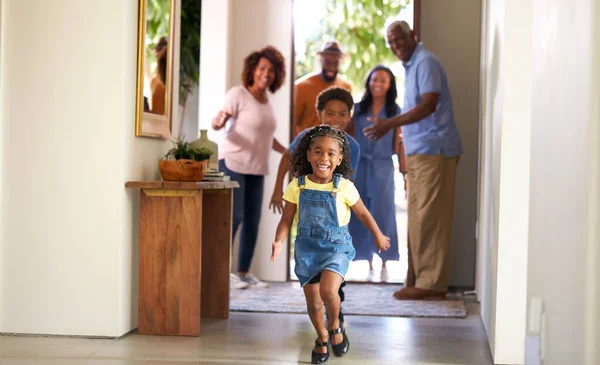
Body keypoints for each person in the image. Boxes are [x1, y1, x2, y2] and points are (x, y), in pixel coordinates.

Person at [270, 125, 390, 364]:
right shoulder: (298, 185)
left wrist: (377, 233)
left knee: (327, 291)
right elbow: (286, 219)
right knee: (313, 302)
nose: (323, 158)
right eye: (317, 151)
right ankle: (322, 336)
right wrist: (278, 240)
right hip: (306, 249)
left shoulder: (343, 186)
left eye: (330, 153)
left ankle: (334, 324)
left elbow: (364, 214)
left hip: (337, 248)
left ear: (339, 159)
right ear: (308, 155)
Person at [364, 21, 463, 300]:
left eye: (399, 40)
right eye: (391, 43)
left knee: (431, 218)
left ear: (413, 36)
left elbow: (429, 103)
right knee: (419, 219)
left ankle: (431, 285)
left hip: (436, 151)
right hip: (422, 152)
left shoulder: (426, 62)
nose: (396, 47)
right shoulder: (413, 65)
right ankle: (420, 279)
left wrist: (389, 124)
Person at [269, 86, 359, 325]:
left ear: (349, 116)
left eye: (342, 114)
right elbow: (286, 157)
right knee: (311, 267)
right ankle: (322, 315)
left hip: (334, 211)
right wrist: (278, 190)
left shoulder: (352, 146)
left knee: (334, 267)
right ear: (320, 113)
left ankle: (335, 308)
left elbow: (349, 179)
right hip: (306, 204)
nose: (336, 119)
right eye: (330, 113)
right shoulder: (307, 137)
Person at [212, 45, 287, 289]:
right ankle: (221, 272)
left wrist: (286, 151)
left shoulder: (267, 102)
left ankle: (242, 273)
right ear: (253, 70)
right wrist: (218, 121)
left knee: (253, 220)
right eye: (262, 68)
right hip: (233, 162)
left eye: (272, 70)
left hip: (257, 166)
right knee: (235, 218)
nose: (267, 73)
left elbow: (265, 137)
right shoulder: (238, 94)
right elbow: (220, 118)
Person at [348, 65, 402, 276]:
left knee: (384, 212)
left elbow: (398, 142)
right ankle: (365, 257)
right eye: (374, 79)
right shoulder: (358, 108)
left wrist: (405, 174)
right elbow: (351, 139)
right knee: (360, 211)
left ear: (390, 86)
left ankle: (385, 259)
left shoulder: (394, 111)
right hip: (360, 166)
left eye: (383, 80)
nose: (377, 84)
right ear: (368, 82)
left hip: (384, 166)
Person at [294, 41, 353, 137]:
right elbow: (293, 124)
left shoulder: (346, 87)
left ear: (340, 62)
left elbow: (347, 122)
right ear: (321, 60)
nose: (331, 66)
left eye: (335, 62)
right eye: (327, 62)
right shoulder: (302, 87)